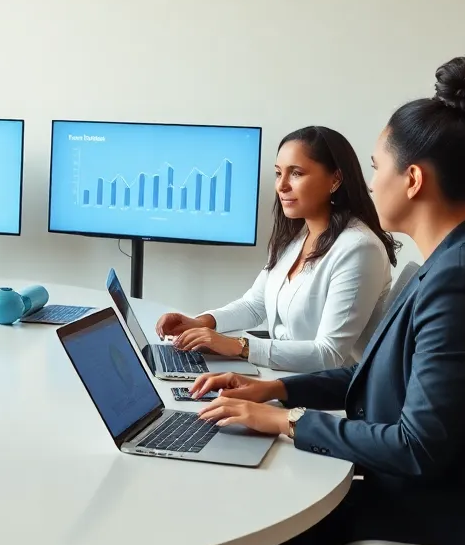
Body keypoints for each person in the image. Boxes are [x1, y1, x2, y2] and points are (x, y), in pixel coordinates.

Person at [184, 57, 465, 545]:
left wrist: (286, 422)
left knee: (213, 522)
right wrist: (275, 389)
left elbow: (417, 446)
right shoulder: (454, 263)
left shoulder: (463, 282)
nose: (372, 184)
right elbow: (379, 377)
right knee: (222, 497)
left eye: (377, 168)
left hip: (428, 534)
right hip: (416, 499)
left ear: (413, 179)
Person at [156, 126, 397, 373]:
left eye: (296, 174)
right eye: (278, 173)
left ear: (335, 179)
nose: (281, 186)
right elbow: (254, 305)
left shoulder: (359, 249)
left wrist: (239, 346)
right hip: (284, 377)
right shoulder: (296, 236)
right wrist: (201, 322)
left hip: (329, 395)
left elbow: (330, 354)